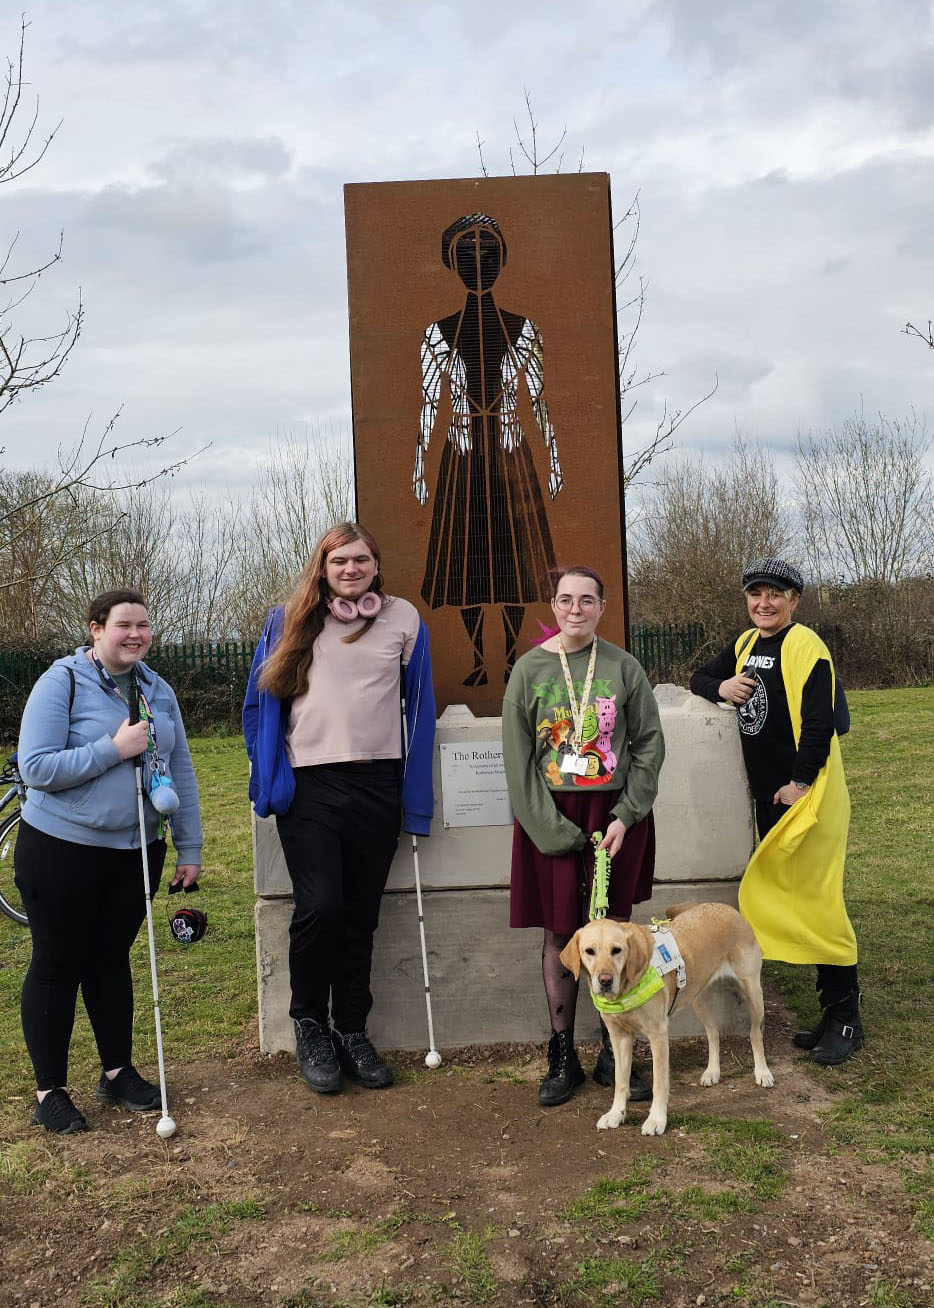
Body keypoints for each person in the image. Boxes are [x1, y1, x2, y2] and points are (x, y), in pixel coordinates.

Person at [243, 522, 435, 1094]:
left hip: (377, 783)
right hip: (310, 786)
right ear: (322, 569)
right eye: (339, 562)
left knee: (360, 914)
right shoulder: (288, 620)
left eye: (361, 560)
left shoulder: (403, 619)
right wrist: (267, 772)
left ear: (376, 566)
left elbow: (420, 705)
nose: (350, 570)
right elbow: (258, 705)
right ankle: (309, 1024)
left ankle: (351, 1029)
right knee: (321, 905)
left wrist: (415, 797)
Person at [15, 589, 202, 1134]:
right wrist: (112, 750)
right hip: (61, 849)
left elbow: (182, 768)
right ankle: (50, 1091)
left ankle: (117, 1072)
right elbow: (37, 768)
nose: (137, 634)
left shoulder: (157, 689)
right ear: (96, 629)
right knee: (57, 962)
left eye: (144, 625)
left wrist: (189, 846)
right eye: (124, 624)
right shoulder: (63, 681)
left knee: (110, 959)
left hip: (137, 851)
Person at [502, 565, 665, 1105]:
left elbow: (647, 745)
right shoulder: (527, 671)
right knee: (560, 937)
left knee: (616, 936)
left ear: (601, 606)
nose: (576, 609)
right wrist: (552, 832)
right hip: (550, 816)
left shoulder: (624, 667)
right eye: (566, 600)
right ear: (553, 605)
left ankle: (612, 1052)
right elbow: (519, 760)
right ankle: (561, 1052)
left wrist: (626, 814)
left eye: (587, 600)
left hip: (615, 817)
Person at [690, 558, 862, 1065]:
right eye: (755, 593)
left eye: (775, 594)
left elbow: (821, 722)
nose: (764, 603)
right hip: (772, 799)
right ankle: (829, 1011)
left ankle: (846, 1017)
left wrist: (799, 782)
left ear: (795, 600)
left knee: (820, 902)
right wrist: (720, 688)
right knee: (792, 898)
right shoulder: (745, 645)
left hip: (807, 798)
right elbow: (701, 675)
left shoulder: (805, 644)